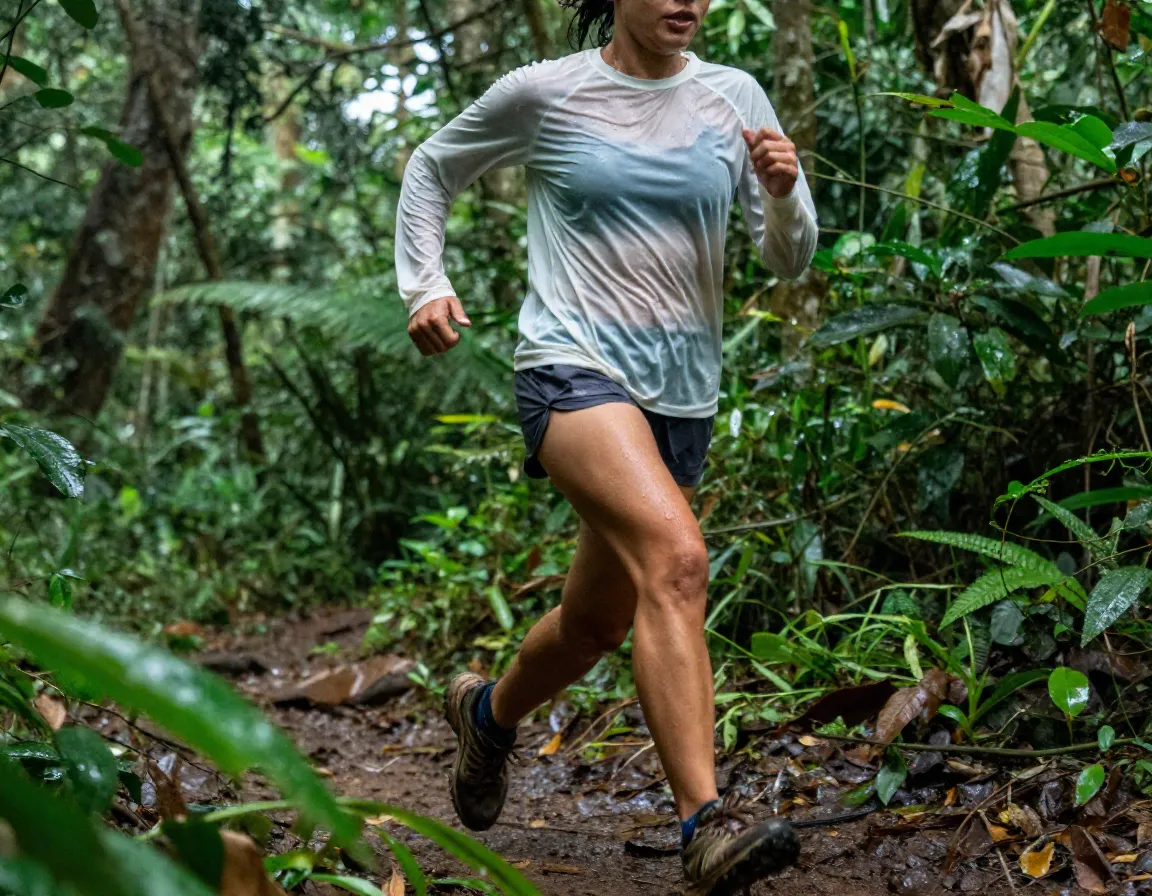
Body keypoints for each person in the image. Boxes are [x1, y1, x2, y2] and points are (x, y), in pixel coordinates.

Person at [395, 0, 818, 891]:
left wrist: (781, 195)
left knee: (595, 624)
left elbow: (789, 261)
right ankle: (706, 823)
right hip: (570, 370)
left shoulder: (734, 96)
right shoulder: (547, 94)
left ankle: (488, 714)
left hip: (682, 397)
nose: (687, 2)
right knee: (677, 559)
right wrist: (424, 283)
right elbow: (433, 168)